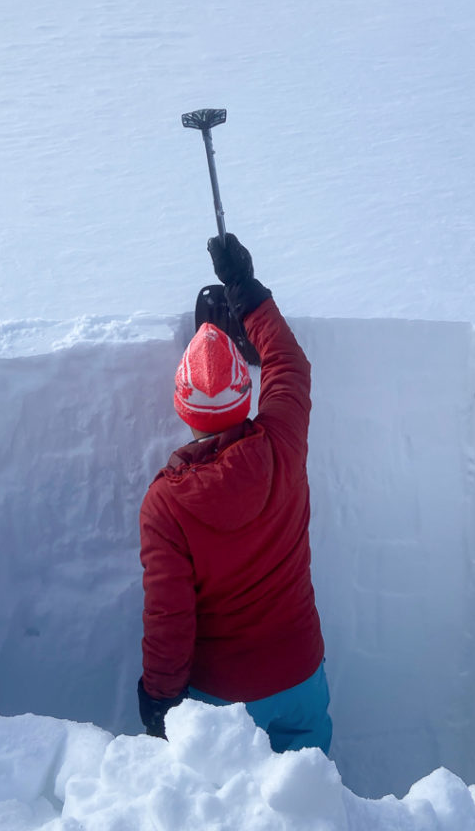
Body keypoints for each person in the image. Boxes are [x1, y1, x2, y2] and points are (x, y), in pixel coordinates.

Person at [137, 233, 332, 754]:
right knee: (305, 802)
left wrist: (158, 698)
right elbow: (289, 364)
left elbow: (169, 619)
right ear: (246, 393)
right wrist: (246, 290)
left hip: (219, 704)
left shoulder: (168, 505)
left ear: (183, 408)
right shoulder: (282, 441)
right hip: (300, 679)